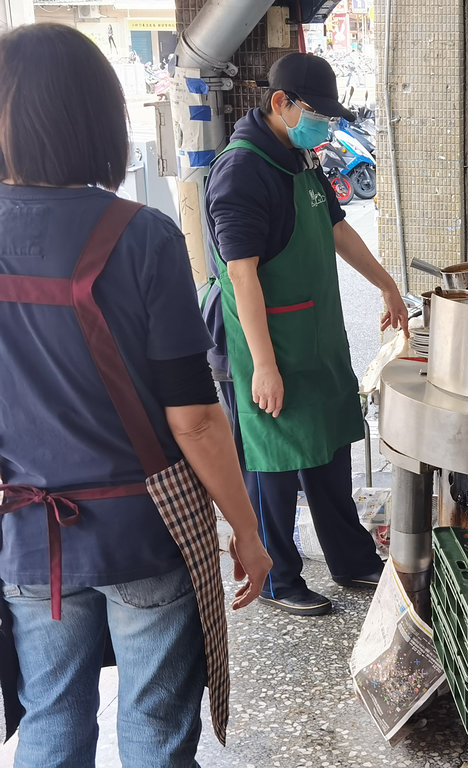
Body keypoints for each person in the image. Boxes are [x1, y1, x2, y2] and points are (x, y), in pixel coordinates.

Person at [0, 23, 272, 766]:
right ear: (99, 121)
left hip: (30, 539)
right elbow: (195, 420)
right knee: (153, 729)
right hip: (145, 532)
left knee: (51, 719)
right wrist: (248, 531)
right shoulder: (143, 237)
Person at [204, 52, 408, 617]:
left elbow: (336, 228)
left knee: (328, 450)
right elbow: (241, 274)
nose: (327, 125)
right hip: (261, 343)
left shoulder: (300, 157)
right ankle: (277, 577)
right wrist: (264, 366)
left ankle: (350, 557)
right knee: (273, 463)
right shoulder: (241, 171)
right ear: (280, 104)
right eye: (316, 113)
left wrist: (389, 285)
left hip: (314, 336)